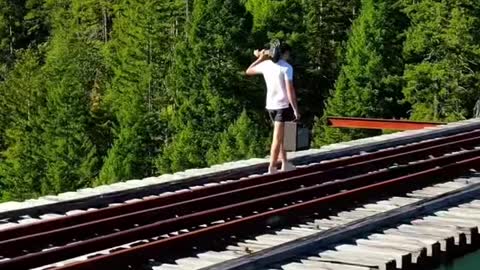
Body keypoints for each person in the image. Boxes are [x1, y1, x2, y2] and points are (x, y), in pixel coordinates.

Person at [245, 43, 300, 174]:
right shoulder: (286, 68)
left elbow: (248, 71)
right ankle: (272, 167)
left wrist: (260, 58)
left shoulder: (266, 65)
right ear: (284, 53)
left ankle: (285, 163)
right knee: (278, 138)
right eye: (288, 53)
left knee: (285, 136)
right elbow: (290, 90)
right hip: (283, 106)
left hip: (271, 105)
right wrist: (296, 109)